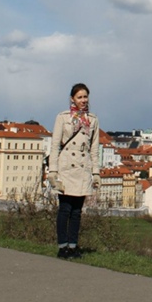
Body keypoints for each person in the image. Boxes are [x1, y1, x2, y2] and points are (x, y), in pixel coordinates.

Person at [48, 82, 101, 259]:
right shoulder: (62, 118)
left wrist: (96, 173)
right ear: (72, 99)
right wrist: (53, 171)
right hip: (66, 168)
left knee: (77, 211)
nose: (83, 100)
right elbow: (55, 145)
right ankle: (62, 246)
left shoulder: (93, 120)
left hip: (83, 168)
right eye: (80, 97)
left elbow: (94, 148)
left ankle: (73, 245)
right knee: (65, 208)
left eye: (85, 97)